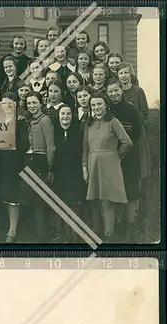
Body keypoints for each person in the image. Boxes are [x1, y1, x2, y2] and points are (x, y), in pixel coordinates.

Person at [83, 92, 133, 241]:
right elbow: (85, 149)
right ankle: (102, 231)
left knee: (107, 199)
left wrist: (117, 156)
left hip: (110, 164)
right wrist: (84, 168)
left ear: (105, 105)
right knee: (97, 198)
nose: (96, 107)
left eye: (99, 104)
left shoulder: (113, 122)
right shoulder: (88, 124)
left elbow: (127, 142)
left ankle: (109, 233)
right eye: (93, 105)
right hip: (93, 164)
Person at [106, 78, 142, 241]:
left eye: (116, 90)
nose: (114, 94)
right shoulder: (106, 110)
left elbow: (137, 133)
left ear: (121, 90)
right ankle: (116, 224)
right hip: (110, 155)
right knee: (114, 190)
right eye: (110, 91)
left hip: (128, 155)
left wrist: (123, 149)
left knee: (130, 189)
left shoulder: (130, 109)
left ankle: (129, 225)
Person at [19, 91, 56, 242]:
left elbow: (51, 146)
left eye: (35, 102)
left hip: (40, 160)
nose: (32, 106)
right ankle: (34, 232)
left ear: (41, 103)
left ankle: (42, 234)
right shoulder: (29, 120)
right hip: (29, 159)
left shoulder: (45, 120)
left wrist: (50, 167)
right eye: (29, 103)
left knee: (40, 198)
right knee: (30, 197)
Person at [0, 93, 29, 242]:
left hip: (15, 161)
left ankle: (12, 229)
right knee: (5, 194)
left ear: (14, 104)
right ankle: (10, 224)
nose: (6, 106)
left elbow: (24, 145)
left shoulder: (20, 122)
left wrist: (10, 145)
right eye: (3, 103)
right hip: (1, 161)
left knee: (14, 195)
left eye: (9, 103)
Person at [53, 105, 87, 242]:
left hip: (75, 173)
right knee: (61, 202)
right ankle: (64, 234)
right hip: (59, 173)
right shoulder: (54, 132)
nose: (65, 116)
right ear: (58, 115)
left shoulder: (77, 132)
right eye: (62, 113)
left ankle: (75, 234)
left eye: (68, 113)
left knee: (75, 204)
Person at [117, 62, 150, 180]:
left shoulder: (138, 91)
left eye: (126, 72)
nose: (124, 76)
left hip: (136, 129)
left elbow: (144, 112)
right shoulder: (116, 91)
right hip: (119, 129)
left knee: (137, 160)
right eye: (121, 73)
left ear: (131, 74)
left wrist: (133, 118)